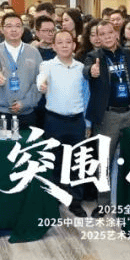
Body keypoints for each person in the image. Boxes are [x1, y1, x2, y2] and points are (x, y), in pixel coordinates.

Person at [83, 21, 130, 217]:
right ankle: (103, 203)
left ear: (116, 34)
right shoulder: (94, 57)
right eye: (102, 34)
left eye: (109, 33)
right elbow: (87, 71)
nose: (106, 37)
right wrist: (91, 71)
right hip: (107, 117)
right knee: (103, 162)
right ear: (97, 37)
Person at [36, 29, 89, 217]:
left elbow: (86, 95)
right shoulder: (47, 65)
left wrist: (88, 123)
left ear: (74, 45)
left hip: (77, 121)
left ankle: (76, 201)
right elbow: (40, 80)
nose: (65, 45)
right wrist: (42, 86)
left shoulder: (81, 68)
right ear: (53, 46)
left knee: (77, 162)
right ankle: (55, 200)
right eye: (60, 42)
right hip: (54, 120)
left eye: (68, 42)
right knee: (55, 161)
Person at [0, 13, 43, 128]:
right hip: (1, 112)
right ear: (2, 30)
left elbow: (39, 81)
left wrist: (25, 103)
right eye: (9, 26)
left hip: (26, 113)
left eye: (17, 26)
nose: (14, 30)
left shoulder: (33, 52)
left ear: (22, 30)